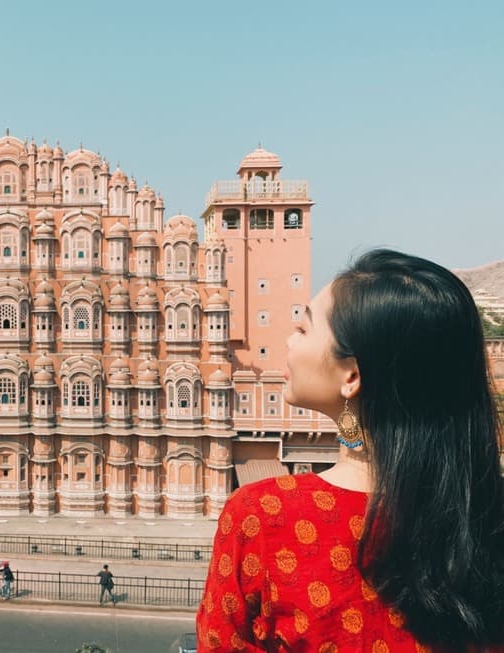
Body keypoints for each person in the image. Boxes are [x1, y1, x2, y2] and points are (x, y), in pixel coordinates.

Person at [196, 250, 504, 652]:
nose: (288, 340)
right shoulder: (488, 513)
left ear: (352, 376)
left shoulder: (265, 518)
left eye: (303, 330)